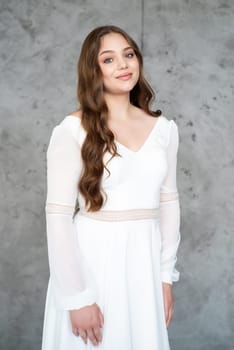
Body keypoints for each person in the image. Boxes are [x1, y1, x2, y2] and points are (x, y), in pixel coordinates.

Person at [41, 25, 181, 350]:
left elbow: (169, 201)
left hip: (144, 269)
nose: (123, 64)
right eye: (109, 59)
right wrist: (77, 298)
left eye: (128, 54)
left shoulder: (164, 130)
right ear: (93, 69)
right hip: (92, 265)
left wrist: (164, 277)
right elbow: (58, 217)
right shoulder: (71, 130)